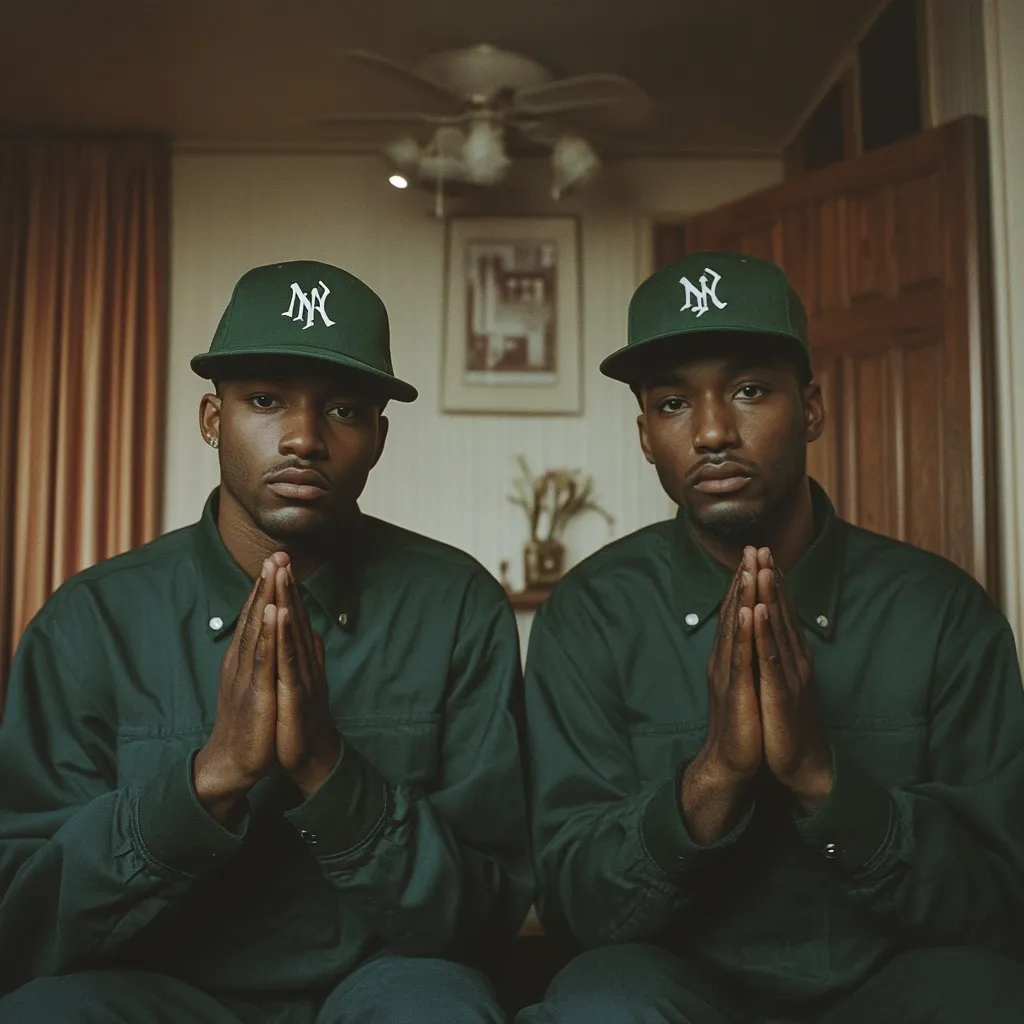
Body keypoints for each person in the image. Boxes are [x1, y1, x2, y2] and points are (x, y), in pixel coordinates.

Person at [0, 260, 532, 1023]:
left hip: (381, 986)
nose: (303, 438)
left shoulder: (455, 605)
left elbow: (484, 915)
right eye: (265, 401)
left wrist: (327, 770)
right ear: (213, 419)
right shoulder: (90, 620)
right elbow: (22, 926)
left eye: (344, 410)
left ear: (378, 438)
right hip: (156, 991)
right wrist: (211, 777)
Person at [516, 252, 1024, 1024]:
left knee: (987, 995)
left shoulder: (942, 612)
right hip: (676, 992)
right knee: (597, 1001)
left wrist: (820, 777)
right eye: (674, 403)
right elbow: (579, 911)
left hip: (888, 989)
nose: (715, 431)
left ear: (812, 407)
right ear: (647, 435)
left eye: (750, 390)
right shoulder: (590, 614)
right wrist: (715, 777)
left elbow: (997, 908)